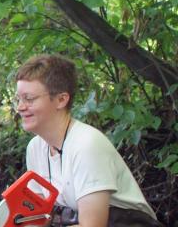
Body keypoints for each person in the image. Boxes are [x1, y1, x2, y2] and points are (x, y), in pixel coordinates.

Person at [15, 54, 161, 226]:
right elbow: (35, 218)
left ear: (61, 99)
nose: (20, 107)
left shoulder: (86, 145)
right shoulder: (35, 148)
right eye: (18, 99)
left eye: (29, 99)